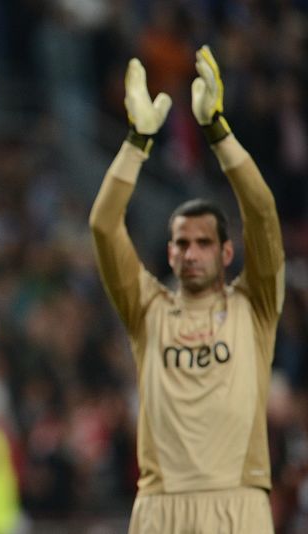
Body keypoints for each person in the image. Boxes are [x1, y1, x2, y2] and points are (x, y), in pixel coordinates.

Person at [89, 46, 284, 534]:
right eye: (182, 243)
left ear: (226, 253)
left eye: (203, 243)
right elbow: (103, 224)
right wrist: (137, 141)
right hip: (160, 503)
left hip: (237, 500)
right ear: (170, 254)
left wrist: (218, 132)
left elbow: (261, 211)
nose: (192, 252)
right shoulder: (147, 310)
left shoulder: (255, 305)